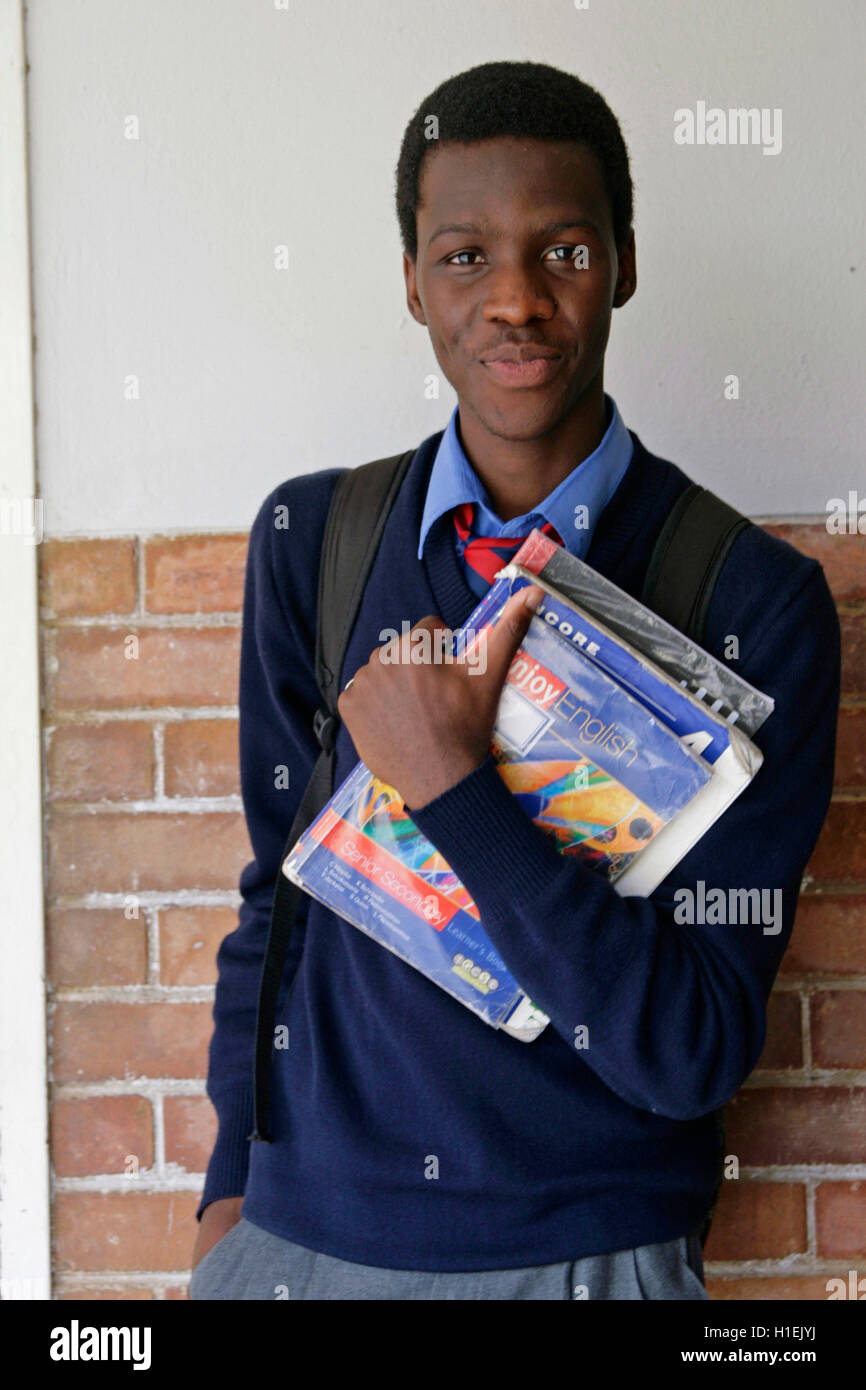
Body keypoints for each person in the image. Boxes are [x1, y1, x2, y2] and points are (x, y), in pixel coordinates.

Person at [189, 60, 839, 1300]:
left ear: (624, 264)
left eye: (565, 252)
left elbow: (692, 1050)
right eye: (463, 257)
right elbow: (278, 908)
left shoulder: (746, 600)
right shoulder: (316, 545)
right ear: (412, 281)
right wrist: (231, 1191)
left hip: (584, 1257)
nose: (517, 303)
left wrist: (449, 782)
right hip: (294, 1247)